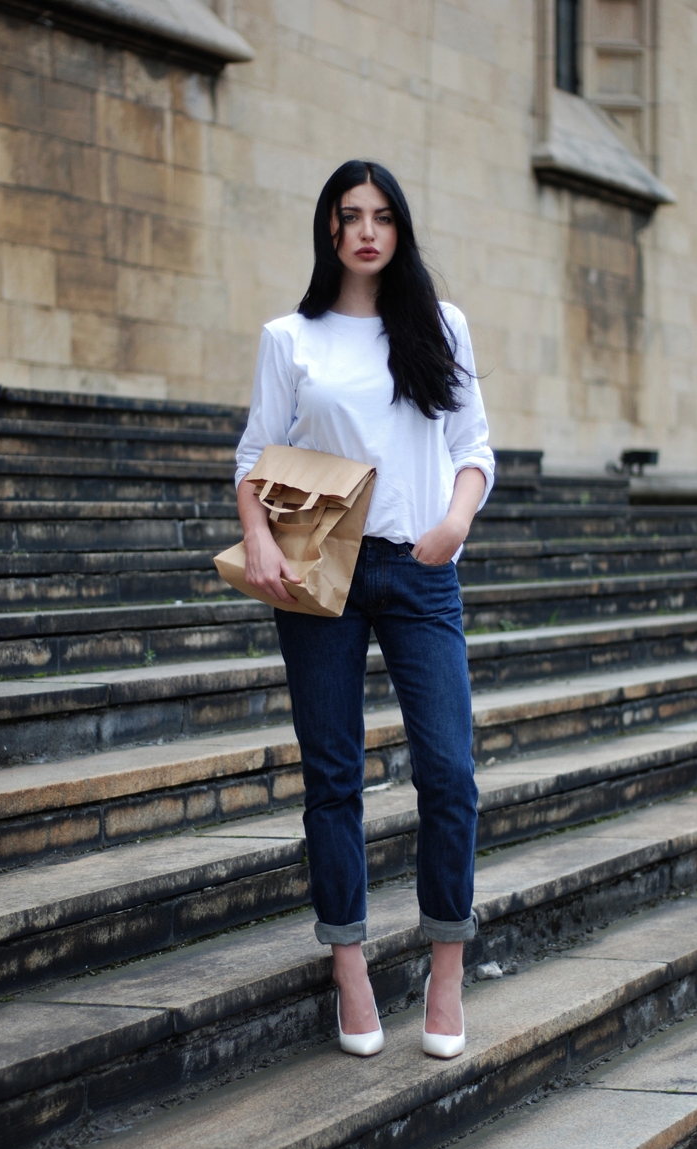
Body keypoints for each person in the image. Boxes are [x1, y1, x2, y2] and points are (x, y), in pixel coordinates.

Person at [235, 160, 494, 1059]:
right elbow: (254, 456)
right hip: (320, 571)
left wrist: (453, 522)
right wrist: (258, 537)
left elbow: (473, 446)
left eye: (383, 216)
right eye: (352, 216)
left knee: (449, 773)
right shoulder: (290, 337)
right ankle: (349, 965)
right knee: (333, 775)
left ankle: (446, 968)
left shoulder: (440, 325)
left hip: (421, 569)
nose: (368, 231)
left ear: (399, 227)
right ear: (330, 229)